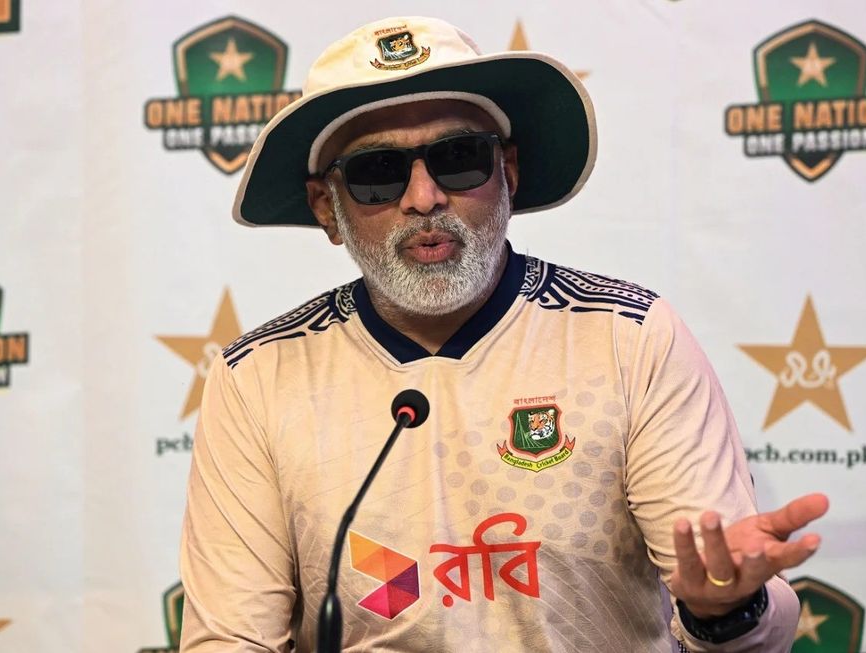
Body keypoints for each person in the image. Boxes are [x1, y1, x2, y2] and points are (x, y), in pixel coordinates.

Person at [180, 16, 829, 652]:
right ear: (328, 208)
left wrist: (725, 608)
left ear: (508, 172)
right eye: (378, 172)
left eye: (458, 159)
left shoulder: (628, 339)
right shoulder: (258, 378)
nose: (424, 197)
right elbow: (230, 639)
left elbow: (752, 620)